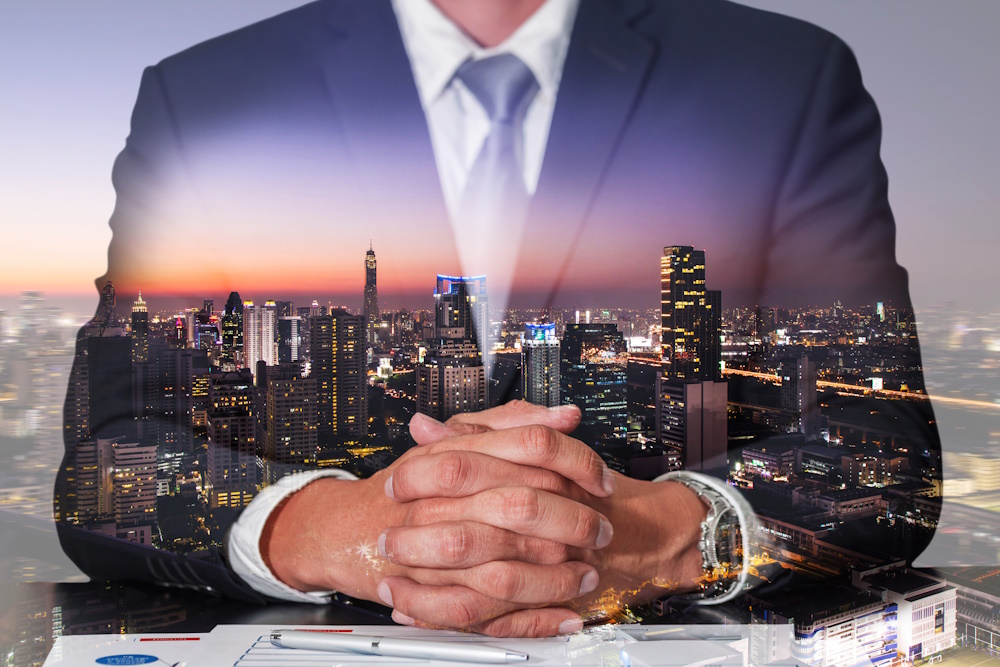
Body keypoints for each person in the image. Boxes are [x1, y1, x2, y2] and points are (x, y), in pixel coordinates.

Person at [58, 0, 941, 638]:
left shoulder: (782, 77)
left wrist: (674, 537)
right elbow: (105, 468)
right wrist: (334, 530)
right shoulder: (207, 95)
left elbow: (887, 448)